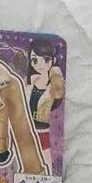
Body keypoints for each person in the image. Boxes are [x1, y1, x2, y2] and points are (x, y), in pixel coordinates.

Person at [23, 38, 64, 172]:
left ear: (53, 60)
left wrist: (56, 73)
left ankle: (47, 179)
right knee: (26, 162)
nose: (40, 65)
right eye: (35, 60)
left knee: (45, 160)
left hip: (42, 128)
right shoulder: (29, 82)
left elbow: (58, 94)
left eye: (46, 60)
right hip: (27, 129)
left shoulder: (54, 84)